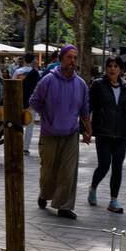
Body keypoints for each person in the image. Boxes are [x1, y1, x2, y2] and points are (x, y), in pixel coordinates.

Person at [28, 44, 92, 219]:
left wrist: (88, 131)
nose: (72, 61)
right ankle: (44, 194)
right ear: (61, 58)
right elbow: (34, 101)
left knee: (68, 171)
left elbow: (85, 110)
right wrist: (45, 115)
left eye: (75, 58)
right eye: (69, 57)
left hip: (71, 133)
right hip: (49, 133)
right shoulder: (47, 80)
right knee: (48, 171)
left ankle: (64, 206)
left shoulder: (81, 85)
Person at [87, 56, 126, 213]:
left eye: (116, 66)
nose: (112, 69)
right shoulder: (98, 85)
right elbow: (88, 107)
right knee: (104, 165)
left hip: (121, 133)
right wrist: (85, 128)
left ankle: (113, 200)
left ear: (120, 69)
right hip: (103, 132)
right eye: (110, 66)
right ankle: (93, 188)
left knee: (117, 167)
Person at [15, 55, 43, 155]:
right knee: (29, 126)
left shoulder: (18, 72)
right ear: (33, 60)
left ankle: (17, 145)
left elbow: (13, 85)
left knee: (18, 124)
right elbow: (39, 89)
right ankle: (25, 148)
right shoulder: (37, 73)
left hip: (19, 102)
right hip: (32, 103)